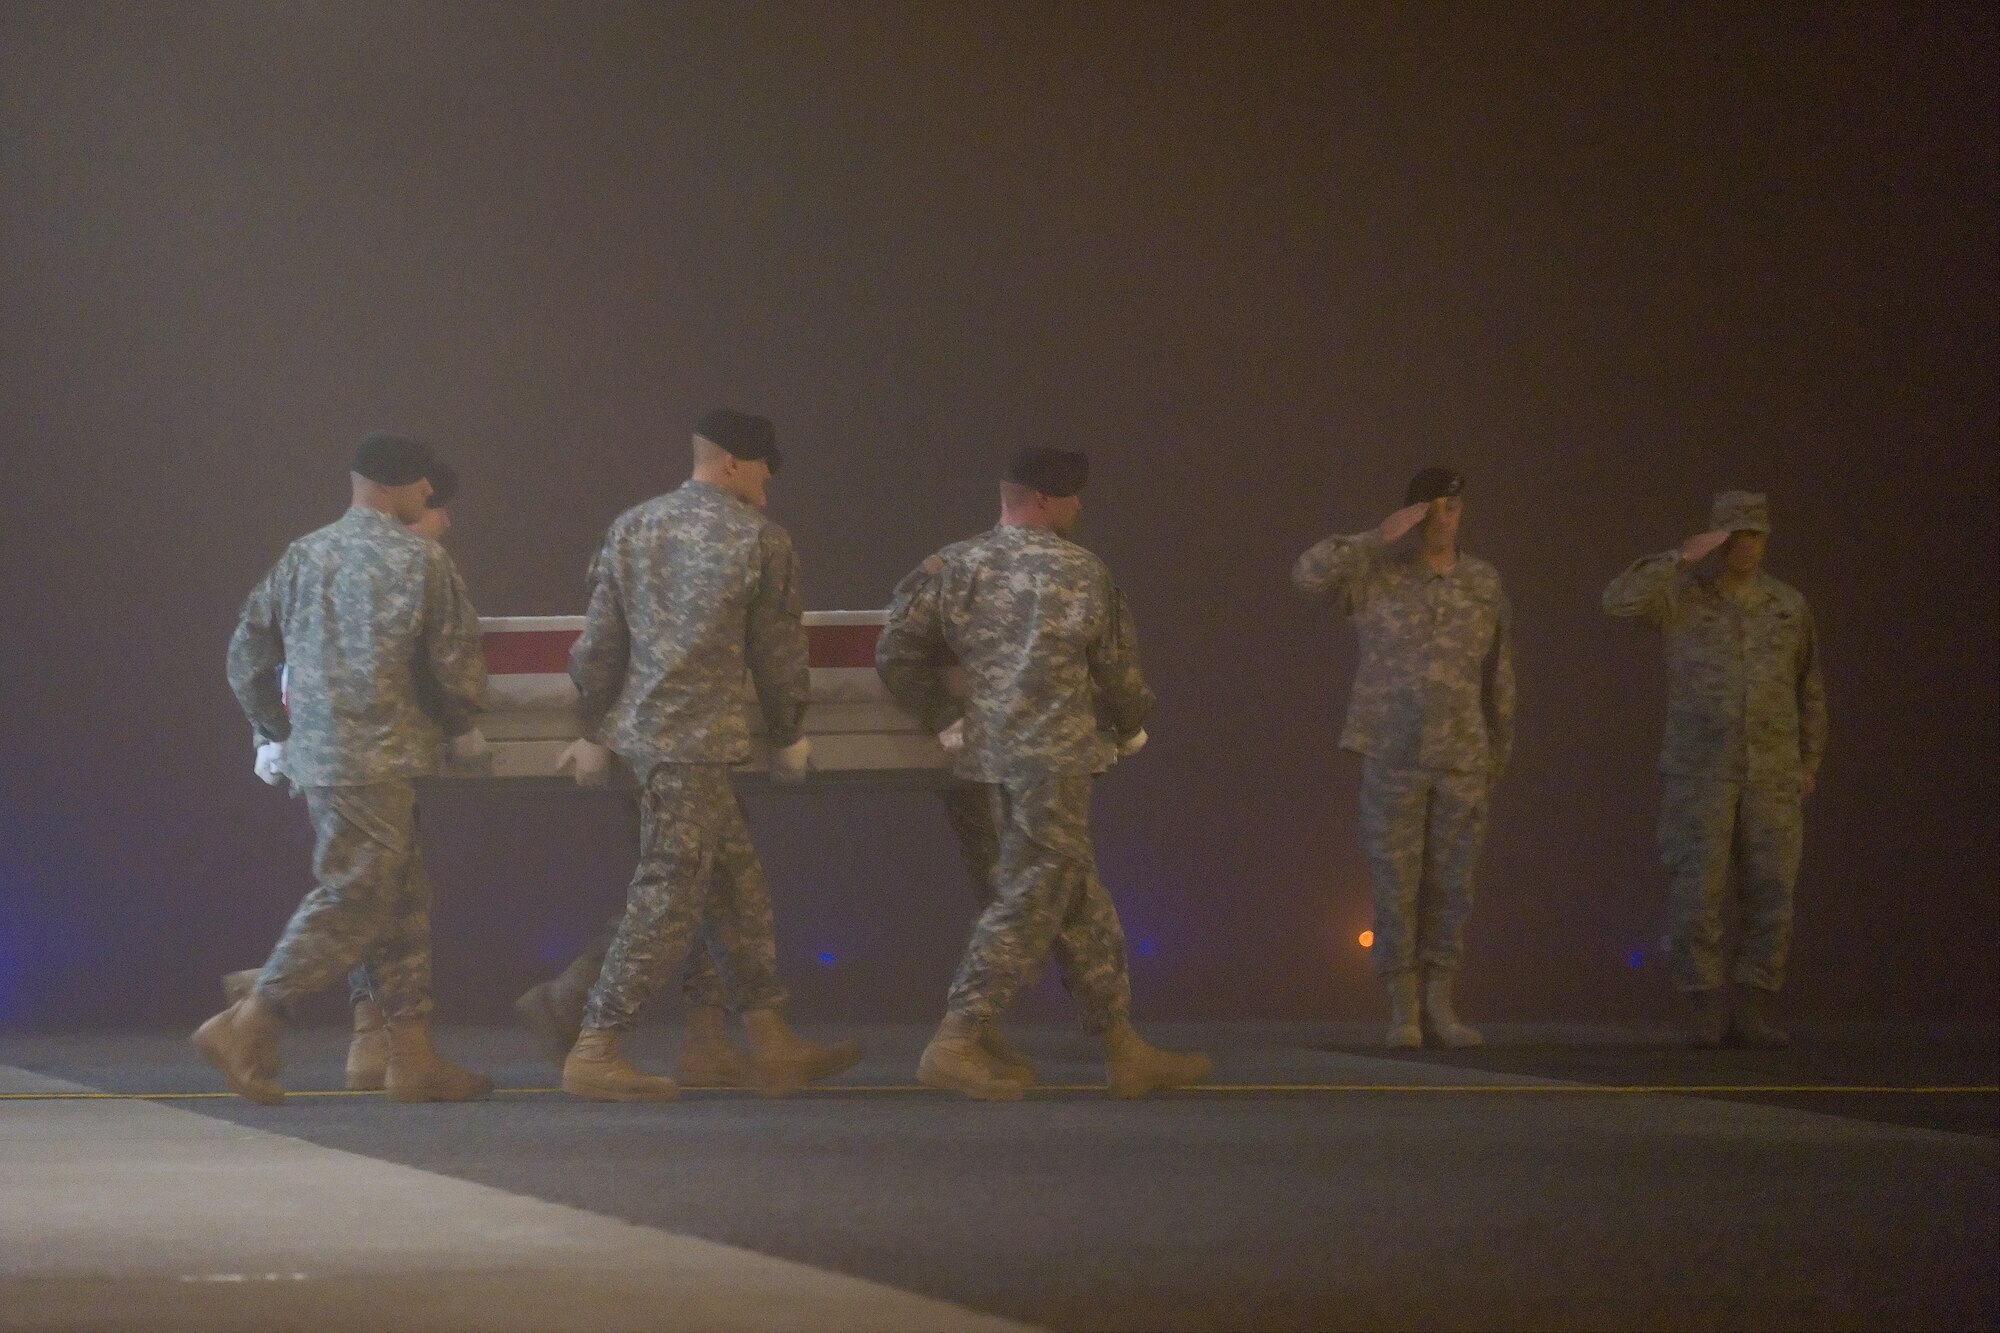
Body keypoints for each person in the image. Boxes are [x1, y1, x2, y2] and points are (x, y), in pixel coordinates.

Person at [878, 446, 1211, 1100]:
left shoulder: (955, 564)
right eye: (1071, 496)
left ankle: (1123, 1047)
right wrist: (1131, 724)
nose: (1079, 507)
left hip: (981, 763)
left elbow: (896, 652)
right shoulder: (1083, 571)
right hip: (1055, 758)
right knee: (1032, 898)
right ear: (1043, 500)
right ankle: (957, 1036)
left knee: (1078, 900)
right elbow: (1117, 670)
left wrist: (944, 716)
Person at [552, 408, 860, 1100]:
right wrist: (788, 733)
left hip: (642, 742)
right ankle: (598, 1043)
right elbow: (779, 655)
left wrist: (590, 723)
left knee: (738, 893)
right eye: (762, 468)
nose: (768, 483)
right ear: (732, 464)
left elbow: (596, 647)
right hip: (696, 745)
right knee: (668, 897)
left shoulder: (631, 526)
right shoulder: (760, 539)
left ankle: (773, 1042)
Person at [195, 433, 493, 1104]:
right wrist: (462, 723)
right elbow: (456, 667)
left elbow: (246, 654)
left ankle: (411, 1055)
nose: (429, 494)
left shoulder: (304, 555)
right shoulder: (423, 559)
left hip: (324, 758)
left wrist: (277, 732)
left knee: (401, 900)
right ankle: (249, 1019)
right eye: (423, 485)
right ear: (397, 486)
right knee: (354, 898)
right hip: (383, 756)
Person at [1291, 467, 1515, 1049]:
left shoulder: (1482, 581)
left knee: (1452, 884)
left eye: (1453, 508)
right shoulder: (1375, 572)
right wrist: (1376, 536)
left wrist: (1499, 748)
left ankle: (1441, 1005)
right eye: (1432, 507)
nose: (1444, 519)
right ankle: (1403, 1013)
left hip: (1463, 754)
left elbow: (1499, 673)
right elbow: (1307, 576)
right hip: (1392, 752)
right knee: (1395, 884)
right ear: (1412, 513)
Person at [1602, 491, 1826, 1047]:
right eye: (1733, 534)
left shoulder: (1788, 605)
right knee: (1695, 892)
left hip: (1771, 772)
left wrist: (1808, 761)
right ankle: (1704, 1003)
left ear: (1766, 538)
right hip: (1699, 770)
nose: (1744, 544)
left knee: (1772, 890)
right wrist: (1680, 557)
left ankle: (1753, 1007)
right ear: (1717, 537)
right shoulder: (1684, 596)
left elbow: (1810, 689)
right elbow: (1617, 601)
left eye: (1753, 534)